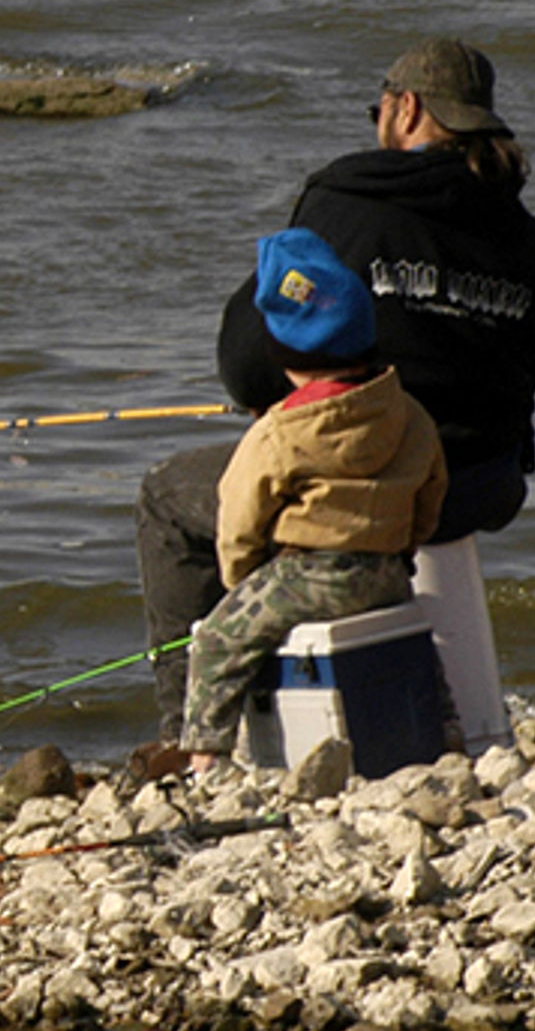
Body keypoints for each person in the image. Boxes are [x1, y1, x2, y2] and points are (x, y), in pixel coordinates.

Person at [137, 37, 535, 741]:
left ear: (405, 110)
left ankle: (192, 730)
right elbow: (532, 366)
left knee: (166, 496)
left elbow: (245, 360)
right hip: (480, 485)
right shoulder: (524, 235)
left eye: (380, 109)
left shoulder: (353, 201)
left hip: (369, 496)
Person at [177, 229, 449, 764]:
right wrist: (400, 548)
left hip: (309, 575)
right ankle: (448, 729)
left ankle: (204, 757)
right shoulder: (410, 414)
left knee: (216, 644)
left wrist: (242, 584)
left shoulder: (279, 432)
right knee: (417, 645)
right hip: (389, 572)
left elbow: (240, 519)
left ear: (286, 357)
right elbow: (430, 495)